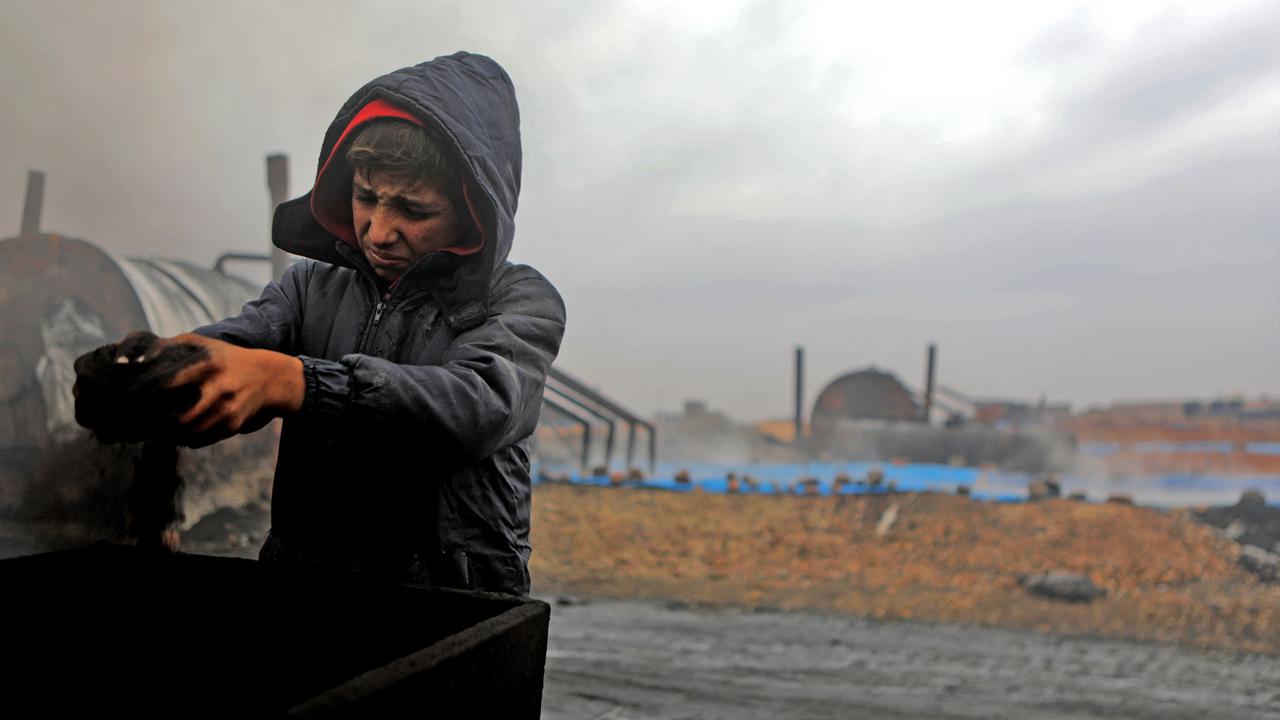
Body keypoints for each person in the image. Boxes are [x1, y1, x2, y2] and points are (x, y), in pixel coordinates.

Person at [151, 52, 565, 595]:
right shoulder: (308, 288)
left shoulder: (520, 300)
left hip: (451, 599)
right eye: (365, 197)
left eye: (413, 211)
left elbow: (480, 405)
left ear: (473, 212)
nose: (378, 230)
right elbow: (236, 345)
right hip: (308, 585)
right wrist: (158, 368)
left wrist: (297, 383)